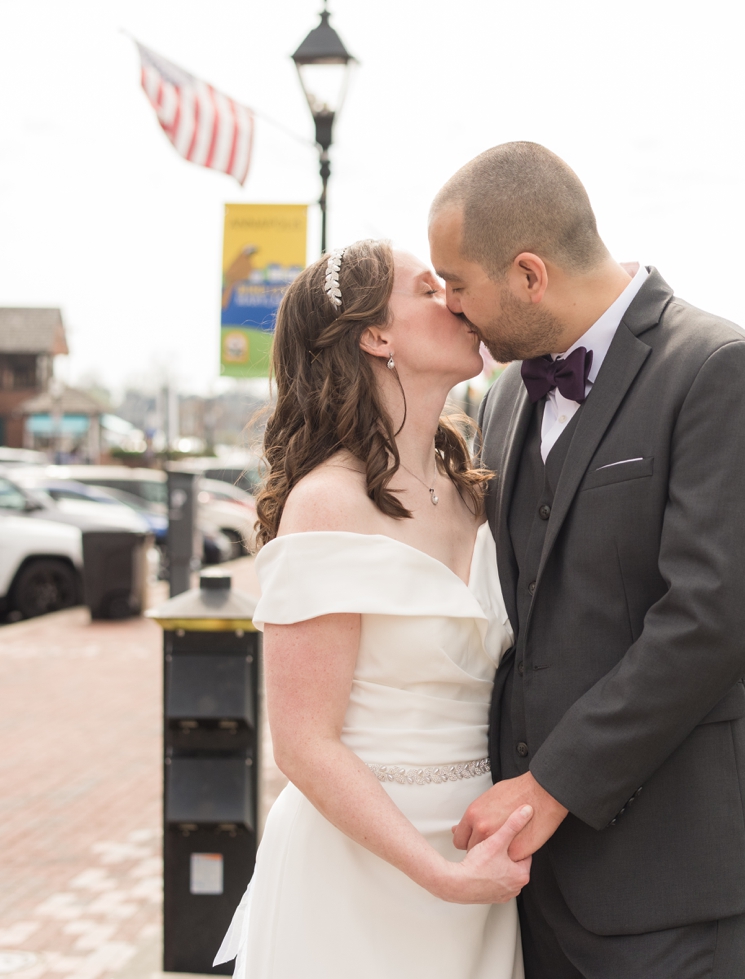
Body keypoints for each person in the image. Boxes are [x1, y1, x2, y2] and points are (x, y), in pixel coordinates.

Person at [431, 143, 745, 978]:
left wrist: (550, 785)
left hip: (673, 876)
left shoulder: (722, 370)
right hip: (529, 880)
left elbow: (712, 621)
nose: (451, 309)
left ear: (529, 274)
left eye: (458, 284)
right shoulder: (499, 401)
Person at [216, 241, 532, 977]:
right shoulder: (326, 502)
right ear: (376, 335)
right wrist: (438, 874)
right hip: (362, 871)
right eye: (430, 289)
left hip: (475, 848)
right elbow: (302, 742)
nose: (456, 299)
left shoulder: (476, 493)